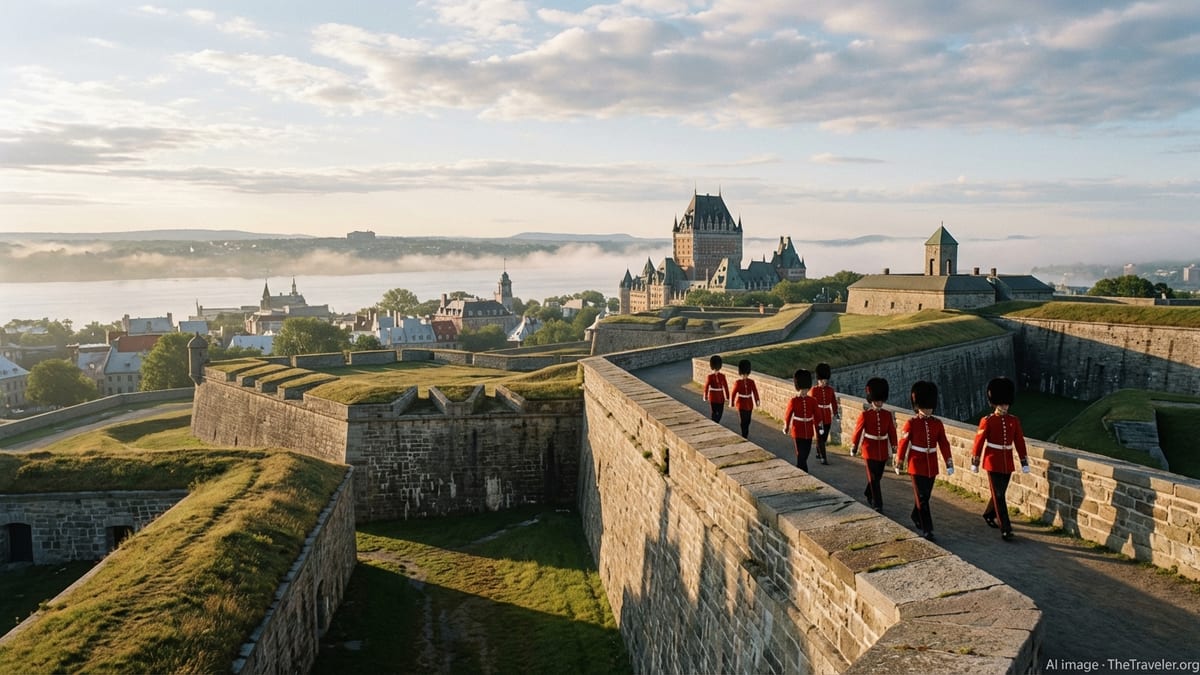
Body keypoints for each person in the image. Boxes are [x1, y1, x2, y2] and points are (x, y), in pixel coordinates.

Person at [970, 377, 1029, 541]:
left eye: (1006, 403)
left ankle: (989, 514)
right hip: (992, 461)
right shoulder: (987, 421)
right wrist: (975, 462)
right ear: (995, 403)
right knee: (999, 495)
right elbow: (978, 442)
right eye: (1002, 403)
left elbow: (1019, 442)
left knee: (1000, 493)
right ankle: (1006, 528)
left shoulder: (1013, 421)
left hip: (1007, 462)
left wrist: (1024, 461)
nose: (1005, 406)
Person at [895, 381, 953, 540]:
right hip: (916, 464)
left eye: (930, 406)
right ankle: (928, 528)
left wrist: (948, 461)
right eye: (925, 406)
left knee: (925, 496)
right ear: (918, 405)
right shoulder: (911, 423)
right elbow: (904, 443)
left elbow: (944, 443)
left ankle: (915, 515)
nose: (928, 409)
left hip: (931, 464)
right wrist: (899, 461)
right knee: (922, 497)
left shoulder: (937, 423)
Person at [850, 378, 896, 512]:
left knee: (879, 475)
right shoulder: (865, 415)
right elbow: (858, 431)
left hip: (882, 449)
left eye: (881, 400)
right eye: (877, 400)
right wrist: (854, 446)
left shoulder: (887, 415)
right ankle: (878, 504)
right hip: (869, 448)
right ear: (872, 399)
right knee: (874, 478)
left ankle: (868, 492)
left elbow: (891, 432)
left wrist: (894, 447)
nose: (879, 402)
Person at [783, 369, 819, 471]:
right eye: (802, 390)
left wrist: (819, 425)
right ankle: (804, 473)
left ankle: (799, 471)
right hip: (797, 431)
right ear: (798, 388)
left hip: (808, 431)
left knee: (805, 454)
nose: (804, 392)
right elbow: (788, 414)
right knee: (800, 454)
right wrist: (786, 426)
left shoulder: (812, 401)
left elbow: (817, 415)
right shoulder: (793, 401)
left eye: (805, 390)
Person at [811, 363, 840, 465]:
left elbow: (833, 402)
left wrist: (836, 412)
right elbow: (812, 404)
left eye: (825, 380)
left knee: (824, 437)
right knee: (820, 436)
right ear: (818, 380)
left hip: (827, 415)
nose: (824, 382)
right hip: (818, 417)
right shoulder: (814, 390)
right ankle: (824, 457)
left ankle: (819, 452)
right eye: (822, 380)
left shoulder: (830, 390)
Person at [731, 359, 761, 439]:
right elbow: (734, 393)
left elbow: (755, 391)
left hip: (749, 403)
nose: (745, 376)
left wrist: (757, 400)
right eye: (743, 374)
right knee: (743, 421)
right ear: (741, 374)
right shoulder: (738, 382)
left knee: (748, 420)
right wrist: (732, 402)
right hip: (741, 403)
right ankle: (744, 435)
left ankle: (745, 433)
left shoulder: (751, 382)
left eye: (746, 374)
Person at [703, 354, 730, 423]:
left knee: (718, 412)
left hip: (716, 396)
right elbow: (706, 386)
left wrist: (727, 396)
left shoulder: (720, 376)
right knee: (716, 412)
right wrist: (705, 395)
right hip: (716, 396)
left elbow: (725, 387)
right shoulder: (712, 376)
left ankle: (715, 422)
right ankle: (715, 422)